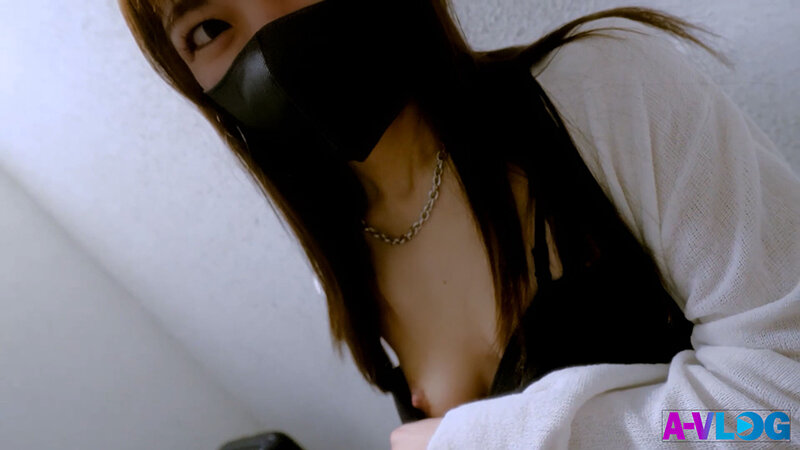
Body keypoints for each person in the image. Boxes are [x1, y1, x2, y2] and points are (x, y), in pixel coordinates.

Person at [118, 0, 800, 448]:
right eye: (207, 28)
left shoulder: (603, 92)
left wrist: (484, 440)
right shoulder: (347, 263)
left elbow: (780, 408)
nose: (272, 29)